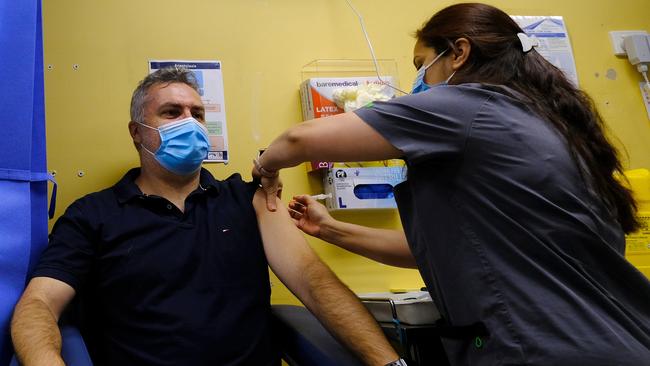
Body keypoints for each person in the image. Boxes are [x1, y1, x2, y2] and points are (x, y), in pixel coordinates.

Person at [253, 3, 650, 365]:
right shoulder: (555, 126)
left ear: (459, 53)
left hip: (545, 347)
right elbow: (446, 250)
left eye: (422, 63)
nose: (419, 80)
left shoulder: (469, 108)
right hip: (618, 338)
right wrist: (330, 229)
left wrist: (265, 167)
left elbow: (299, 140)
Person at [10, 67, 402, 366]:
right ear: (137, 131)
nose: (190, 123)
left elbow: (314, 284)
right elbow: (39, 304)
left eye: (197, 113)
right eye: (171, 112)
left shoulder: (248, 200)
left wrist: (390, 363)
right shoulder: (93, 215)